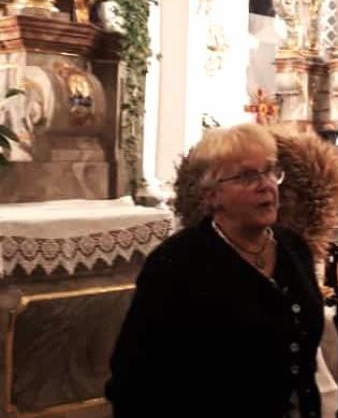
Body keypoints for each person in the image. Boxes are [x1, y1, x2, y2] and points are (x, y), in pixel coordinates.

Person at [105, 123, 323, 417]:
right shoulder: (177, 263)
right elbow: (134, 376)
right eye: (248, 176)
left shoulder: (293, 249)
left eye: (271, 171)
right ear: (211, 196)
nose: (266, 185)